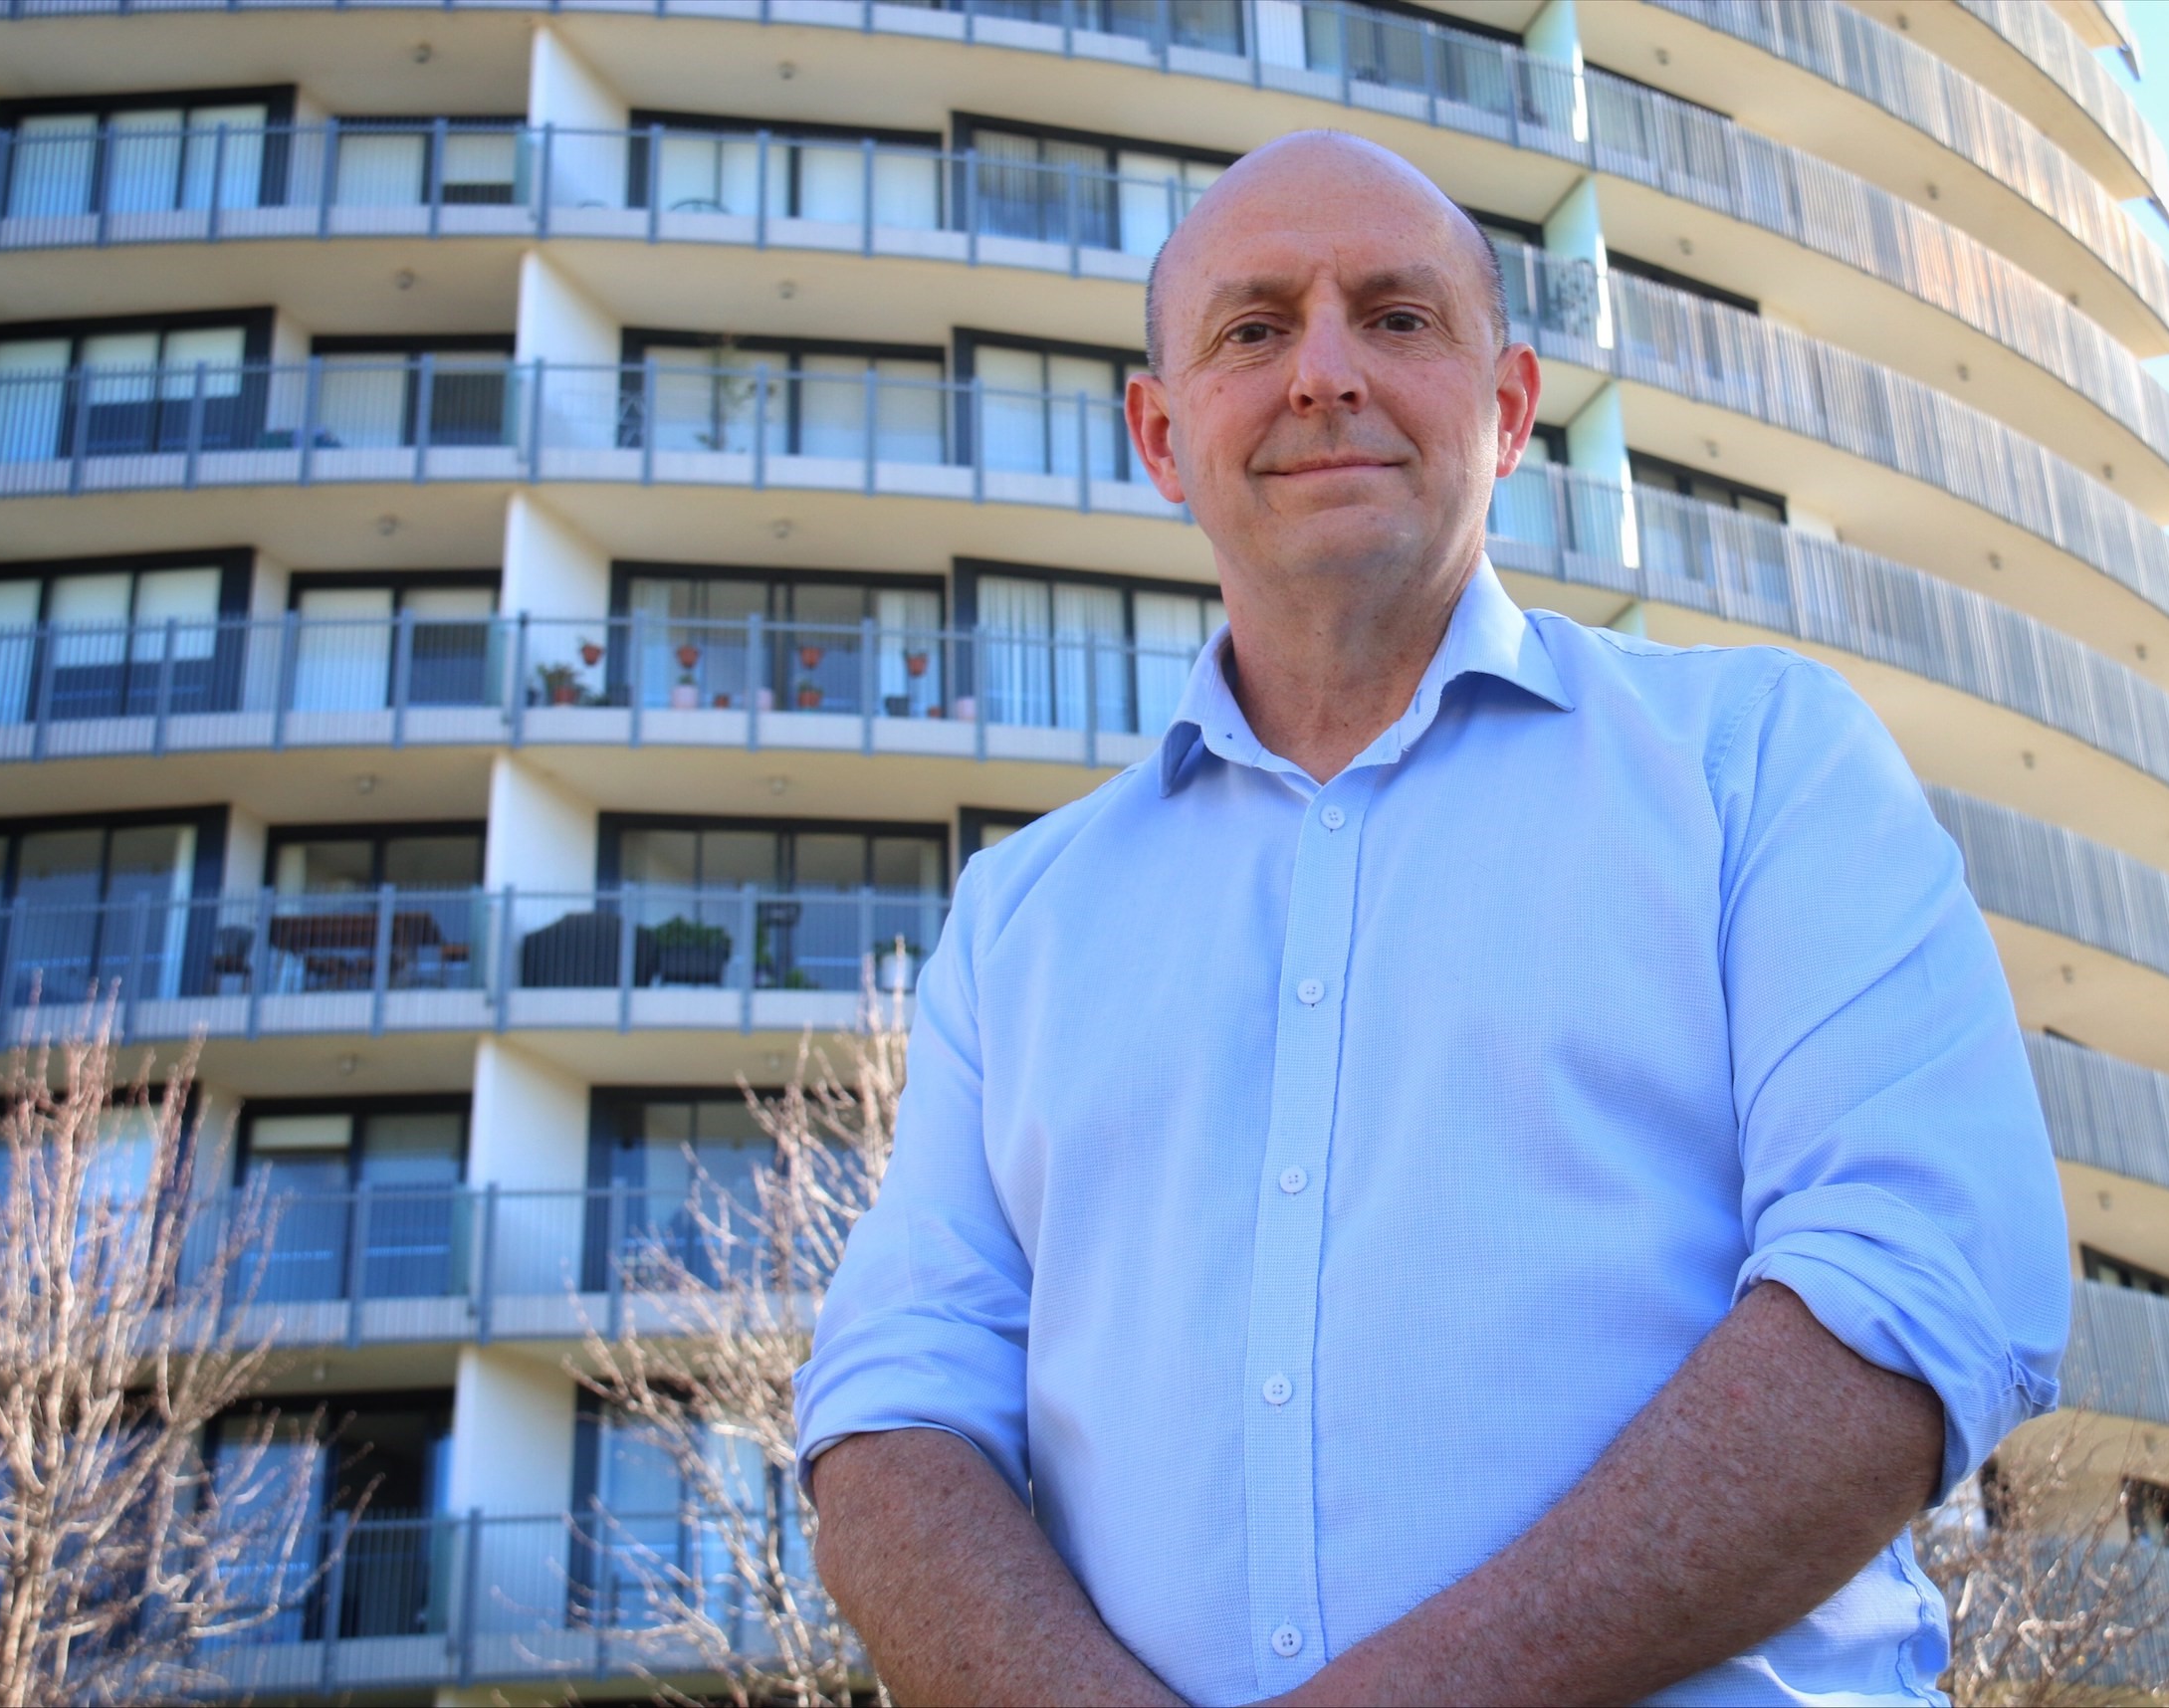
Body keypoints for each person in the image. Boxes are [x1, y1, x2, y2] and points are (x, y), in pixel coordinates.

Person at [793, 130, 2069, 1706]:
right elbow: (893, 1408)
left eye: (1395, 318)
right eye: (1252, 330)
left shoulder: (1760, 765)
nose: (1322, 371)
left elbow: (1917, 1275)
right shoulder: (1018, 924)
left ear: (1511, 406)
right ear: (1159, 433)